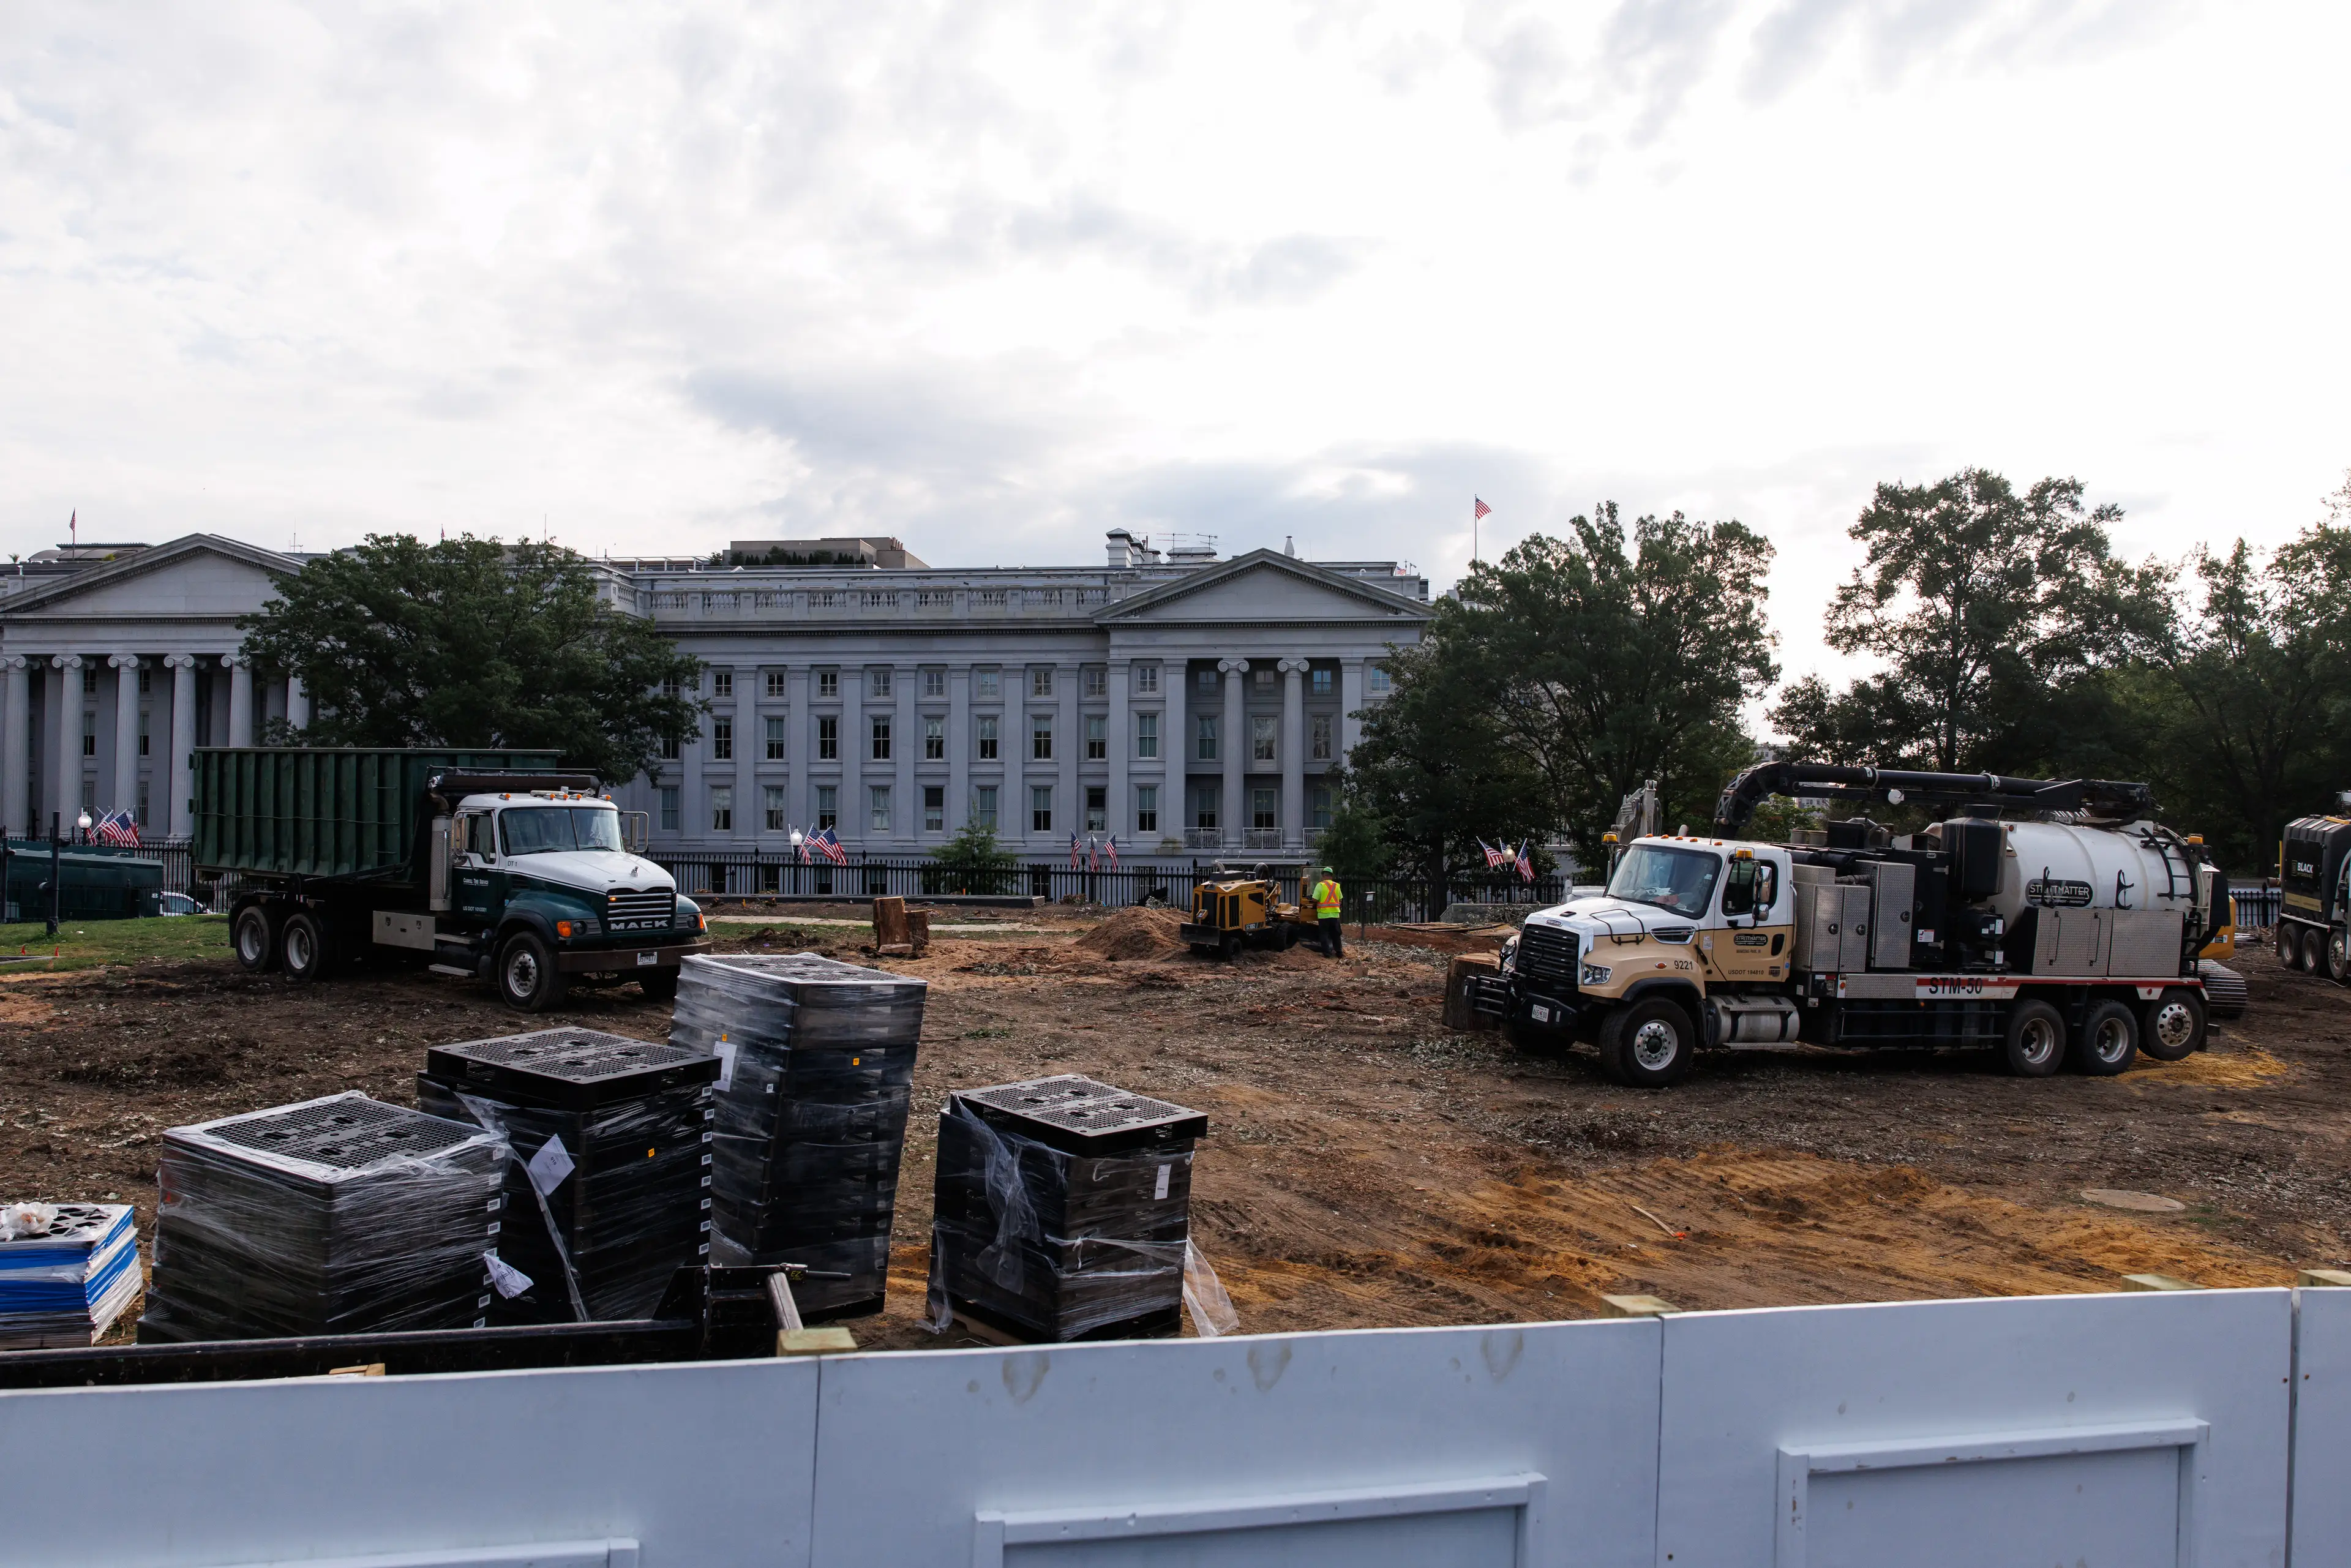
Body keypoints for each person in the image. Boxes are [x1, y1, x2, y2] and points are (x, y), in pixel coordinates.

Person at [1306, 866, 1344, 958]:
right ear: (1331, 876)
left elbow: (1315, 899)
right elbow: (1340, 900)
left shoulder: (1321, 885)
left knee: (1324, 934)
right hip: (1335, 915)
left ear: (1323, 876)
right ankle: (1339, 952)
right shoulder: (1337, 886)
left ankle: (1327, 953)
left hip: (1324, 915)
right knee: (1336, 934)